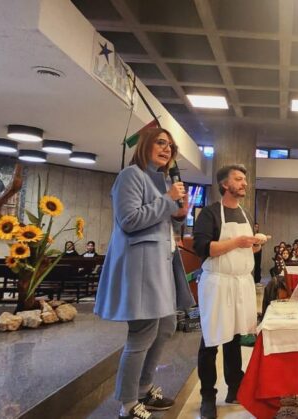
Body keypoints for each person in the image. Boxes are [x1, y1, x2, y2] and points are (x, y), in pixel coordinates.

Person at [94, 127, 194, 419]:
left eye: (170, 146)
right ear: (145, 145)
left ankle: (144, 388)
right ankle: (127, 404)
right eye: (160, 143)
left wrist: (178, 214)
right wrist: (167, 200)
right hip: (141, 268)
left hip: (161, 265)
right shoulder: (131, 175)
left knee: (166, 326)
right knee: (142, 333)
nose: (167, 149)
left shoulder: (161, 181)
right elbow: (129, 220)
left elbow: (162, 222)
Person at [192, 164, 264, 419]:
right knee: (211, 341)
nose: (244, 183)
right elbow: (202, 248)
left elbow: (243, 249)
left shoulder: (245, 213)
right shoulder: (210, 213)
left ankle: (235, 388)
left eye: (244, 179)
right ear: (225, 184)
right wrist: (237, 242)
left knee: (235, 337)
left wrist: (254, 246)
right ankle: (207, 397)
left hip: (240, 283)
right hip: (218, 282)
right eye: (238, 179)